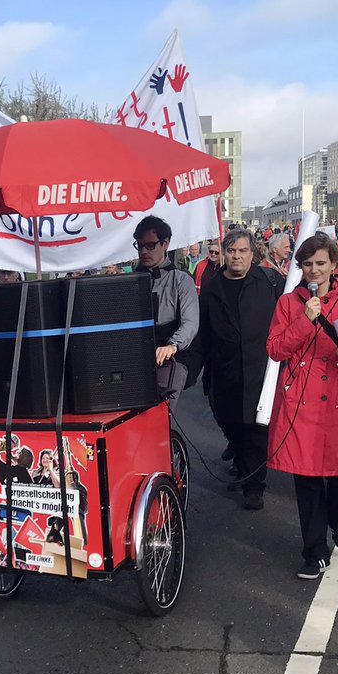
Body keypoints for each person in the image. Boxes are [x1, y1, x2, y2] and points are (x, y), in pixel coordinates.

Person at [267, 233, 338, 579]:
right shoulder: (288, 304)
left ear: (334, 266)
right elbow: (275, 349)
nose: (313, 270)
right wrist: (304, 320)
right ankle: (314, 550)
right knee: (308, 479)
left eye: (320, 264)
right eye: (307, 264)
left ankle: (336, 520)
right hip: (302, 402)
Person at [195, 228, 283, 510]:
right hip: (224, 373)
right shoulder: (211, 289)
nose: (236, 256)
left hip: (261, 371)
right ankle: (243, 464)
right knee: (232, 425)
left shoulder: (270, 282)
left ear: (252, 253)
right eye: (231, 251)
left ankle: (254, 486)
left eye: (242, 251)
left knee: (257, 431)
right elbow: (203, 335)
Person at [133, 215, 199, 410]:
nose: (144, 251)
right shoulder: (129, 281)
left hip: (174, 356)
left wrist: (173, 345)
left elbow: (191, 322)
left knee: (160, 412)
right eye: (140, 245)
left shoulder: (181, 280)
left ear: (166, 243)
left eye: (150, 246)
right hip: (137, 356)